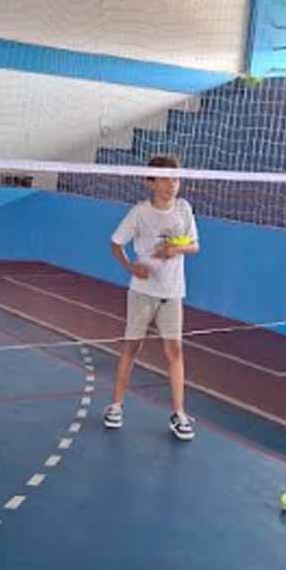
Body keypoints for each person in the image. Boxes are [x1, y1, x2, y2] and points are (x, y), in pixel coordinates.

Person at [103, 156, 200, 441]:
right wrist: (131, 267)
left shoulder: (184, 209)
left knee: (175, 352)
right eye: (166, 179)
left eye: (176, 179)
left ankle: (179, 413)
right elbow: (115, 243)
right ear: (150, 181)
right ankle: (116, 405)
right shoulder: (139, 213)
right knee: (131, 348)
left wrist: (175, 249)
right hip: (143, 293)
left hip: (173, 292)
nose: (172, 185)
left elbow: (194, 245)